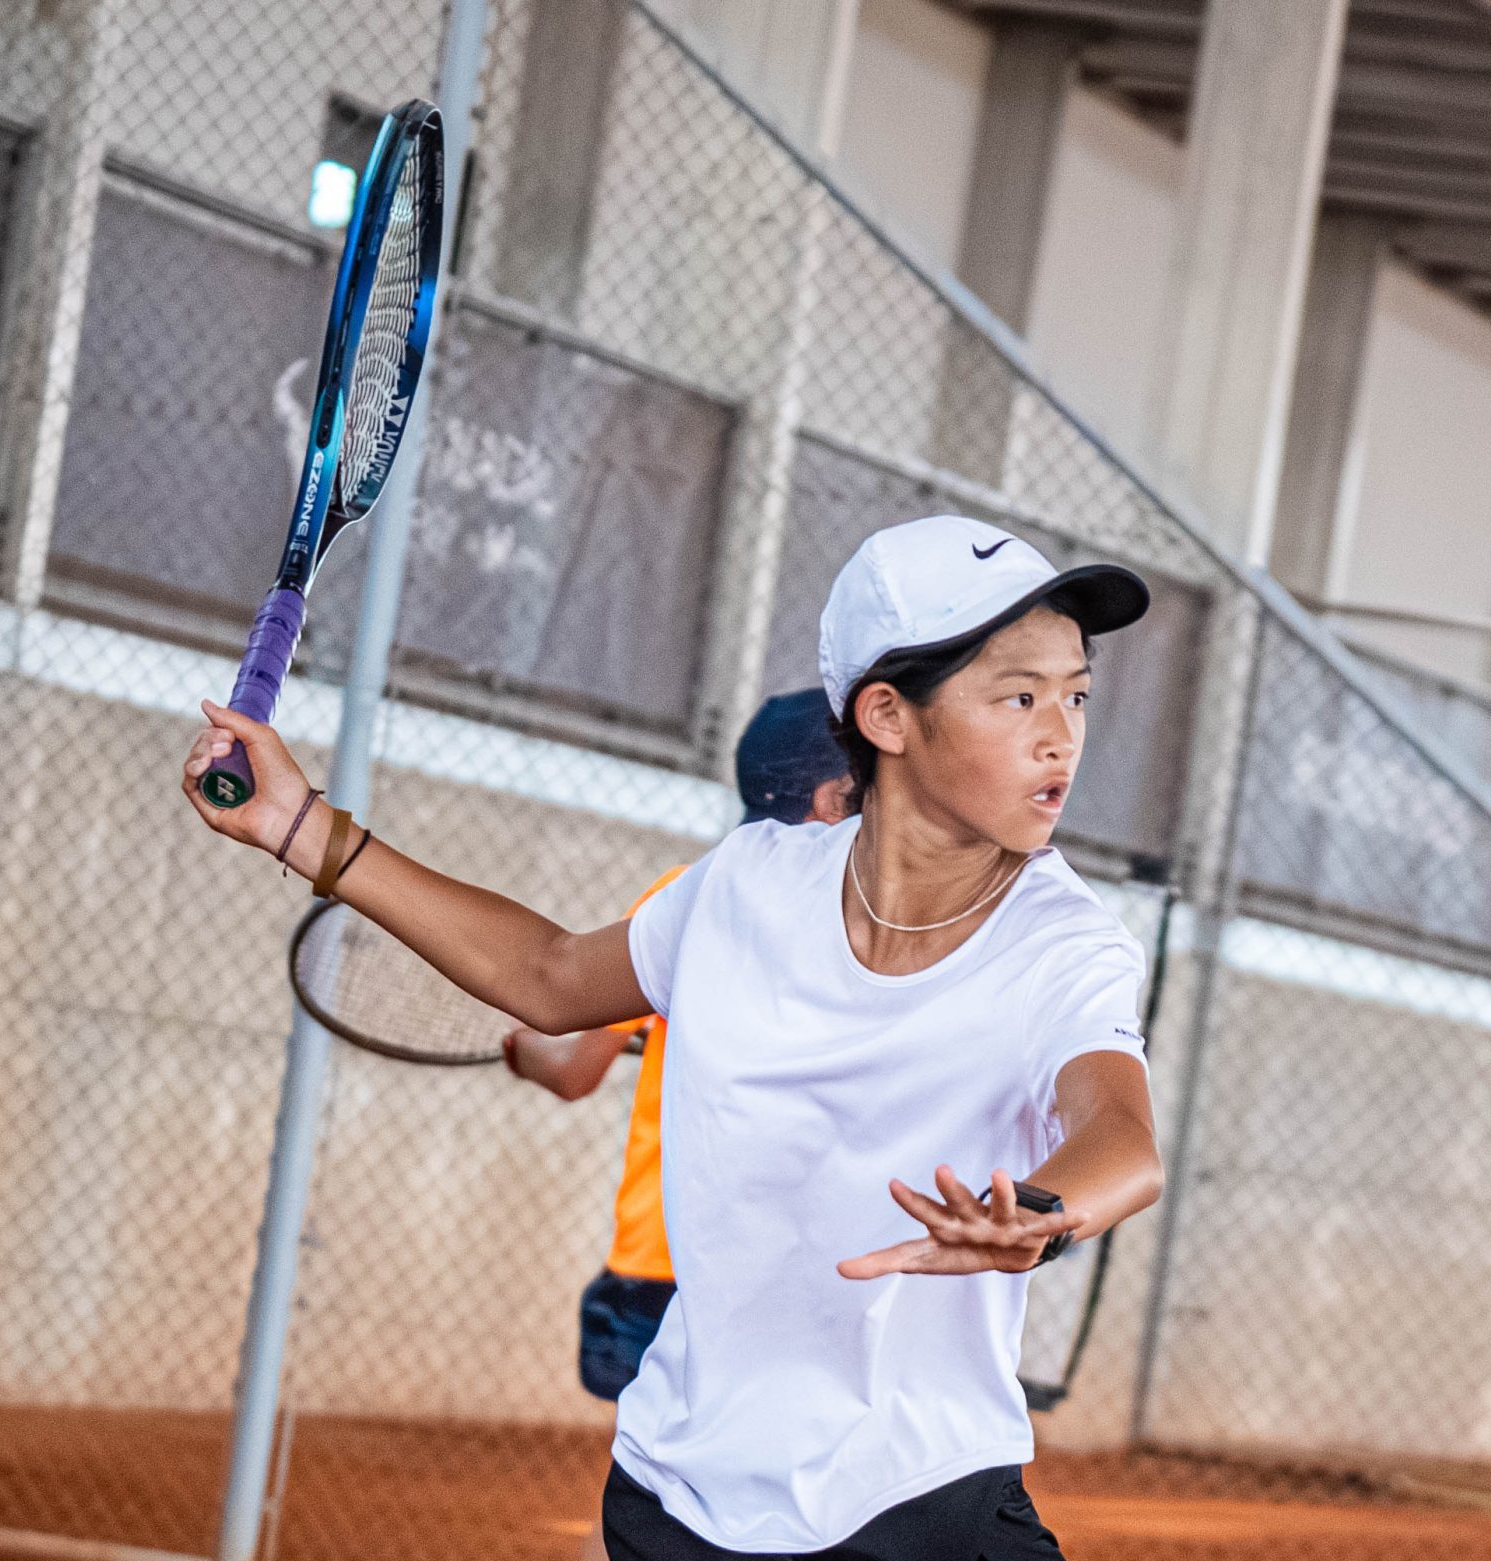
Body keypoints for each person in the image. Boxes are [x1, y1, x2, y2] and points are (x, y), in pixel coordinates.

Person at [183, 514, 1165, 1559]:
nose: (1060, 733)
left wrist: (1045, 1214)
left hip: (920, 1499)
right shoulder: (744, 886)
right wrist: (298, 825)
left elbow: (1117, 1131)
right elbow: (548, 976)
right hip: (678, 1498)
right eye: (1018, 696)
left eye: (1075, 695)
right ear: (886, 714)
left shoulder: (1062, 943)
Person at [497, 689, 853, 1561]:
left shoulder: (686, 895)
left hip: (653, 1257)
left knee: (655, 1498)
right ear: (831, 799)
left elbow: (574, 1068)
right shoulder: (856, 914)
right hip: (763, 1266)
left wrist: (526, 1053)